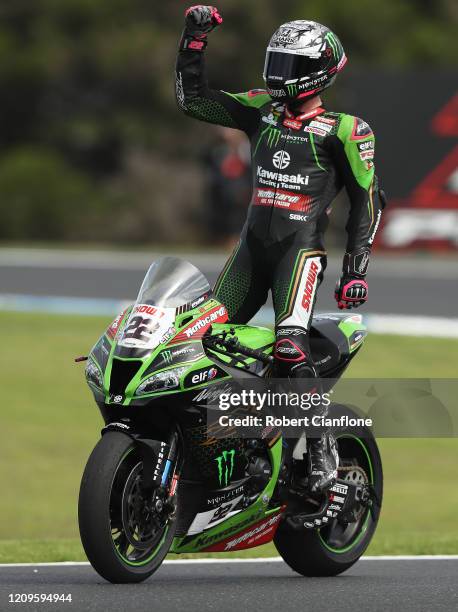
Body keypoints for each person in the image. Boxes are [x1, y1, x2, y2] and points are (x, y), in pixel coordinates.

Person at [175, 6, 386, 492]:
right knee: (193, 336)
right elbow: (195, 102)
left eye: (288, 66)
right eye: (275, 62)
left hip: (299, 254)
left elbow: (368, 202)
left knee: (290, 349)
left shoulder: (347, 130)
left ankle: (322, 449)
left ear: (318, 72)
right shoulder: (260, 110)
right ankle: (220, 444)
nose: (277, 75)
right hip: (250, 253)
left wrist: (356, 270)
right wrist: (194, 41)